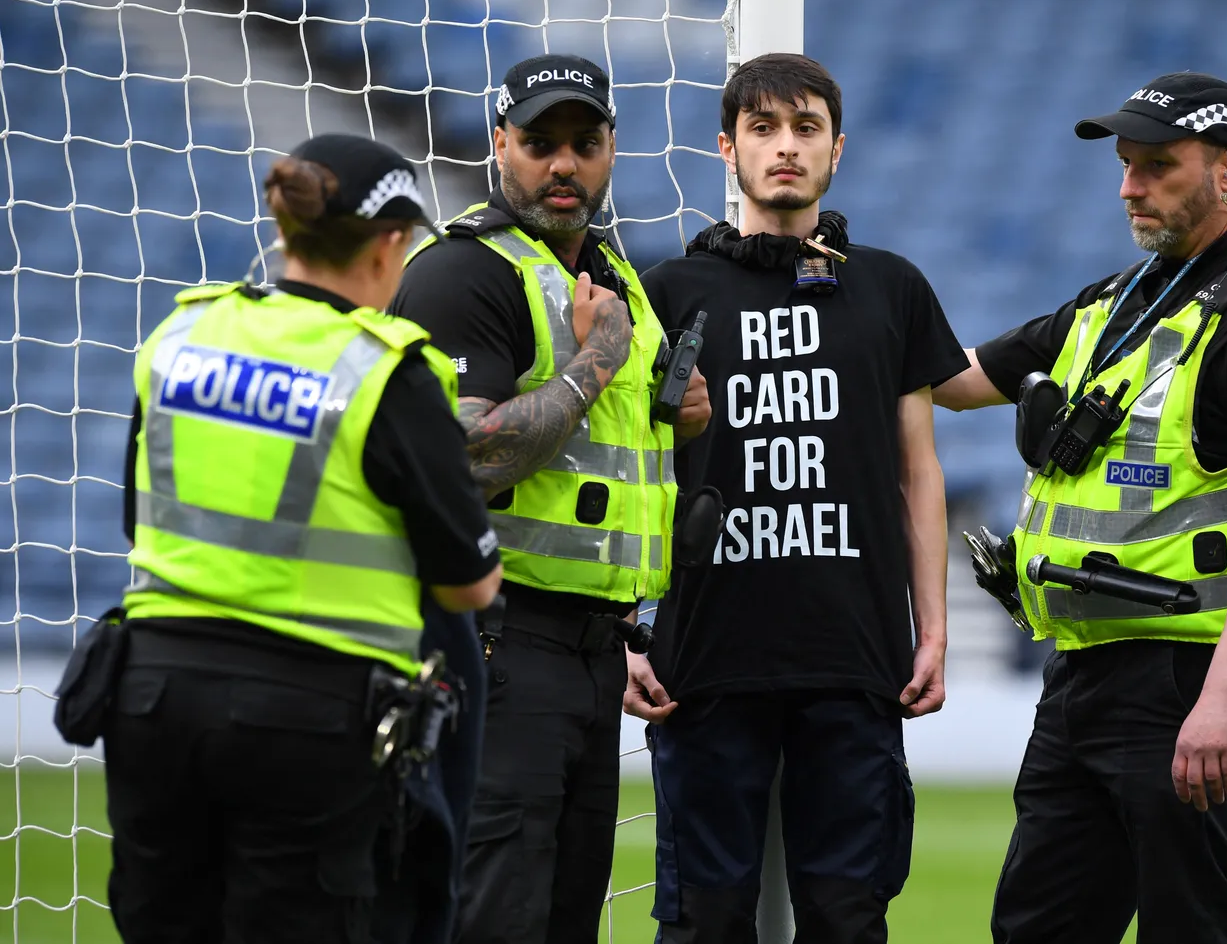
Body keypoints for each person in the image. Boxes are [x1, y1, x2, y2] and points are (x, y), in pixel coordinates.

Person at [932, 73, 1227, 944]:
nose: (1128, 186)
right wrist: (859, 296)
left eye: (1158, 165)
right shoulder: (1116, 300)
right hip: (1081, 671)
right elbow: (956, 380)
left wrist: (1223, 700)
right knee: (1036, 929)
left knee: (1191, 927)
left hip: (1183, 680)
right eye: (1125, 165)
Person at [106, 133, 503, 944]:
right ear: (391, 243)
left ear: (286, 231)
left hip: (152, 695)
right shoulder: (386, 372)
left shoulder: (179, 338)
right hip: (308, 717)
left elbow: (136, 518)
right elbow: (470, 585)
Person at [627, 53, 967, 944]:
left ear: (837, 149)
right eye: (764, 129)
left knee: (848, 920)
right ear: (727, 147)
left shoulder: (891, 286)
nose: (785, 148)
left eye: (806, 128)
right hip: (701, 659)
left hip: (856, 656)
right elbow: (631, 471)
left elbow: (916, 470)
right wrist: (631, 622)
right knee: (704, 923)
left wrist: (932, 627)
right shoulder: (668, 293)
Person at [391, 54, 709, 944]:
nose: (563, 164)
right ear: (500, 146)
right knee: (497, 916)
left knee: (565, 915)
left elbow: (612, 457)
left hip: (591, 648)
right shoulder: (463, 272)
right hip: (499, 642)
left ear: (613, 148)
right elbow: (454, 460)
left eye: (585, 142)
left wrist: (681, 413)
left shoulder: (613, 273)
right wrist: (595, 361)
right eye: (539, 143)